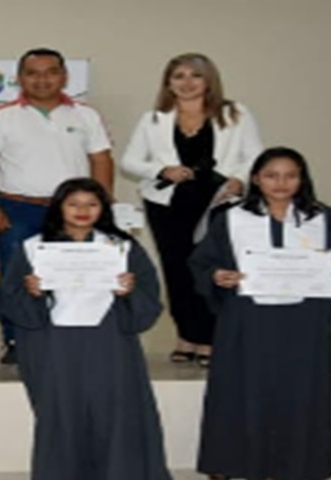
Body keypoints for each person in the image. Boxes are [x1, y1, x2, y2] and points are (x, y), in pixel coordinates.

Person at [189, 147, 331, 480]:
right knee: (232, 399)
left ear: (302, 179)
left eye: (290, 175)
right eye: (271, 175)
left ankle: (270, 475)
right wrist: (216, 275)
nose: (281, 183)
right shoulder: (231, 217)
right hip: (247, 321)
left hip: (302, 324)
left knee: (287, 398)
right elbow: (202, 263)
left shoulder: (323, 218)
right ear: (256, 178)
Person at [0, 178, 180, 480]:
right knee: (60, 423)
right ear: (59, 208)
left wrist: (129, 292)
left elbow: (148, 299)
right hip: (52, 345)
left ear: (103, 209)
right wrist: (31, 292)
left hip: (109, 342)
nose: (82, 211)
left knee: (116, 420)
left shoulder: (122, 247)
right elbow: (10, 299)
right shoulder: (33, 248)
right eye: (73, 204)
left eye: (91, 204)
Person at [121, 52, 263, 368]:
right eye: (179, 76)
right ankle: (186, 336)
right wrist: (162, 170)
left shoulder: (234, 113)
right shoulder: (153, 119)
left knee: (213, 270)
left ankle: (210, 338)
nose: (187, 83)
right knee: (177, 272)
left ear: (209, 80)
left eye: (195, 75)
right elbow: (129, 162)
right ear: (168, 83)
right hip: (168, 206)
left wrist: (239, 180)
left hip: (219, 203)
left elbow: (255, 155)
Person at [0, 47, 114, 364]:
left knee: (74, 273)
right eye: (32, 73)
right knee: (16, 276)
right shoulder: (1, 116)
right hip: (17, 208)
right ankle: (15, 340)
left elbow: (101, 160)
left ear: (64, 76)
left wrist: (103, 208)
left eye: (51, 72)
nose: (42, 80)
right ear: (19, 78)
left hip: (74, 212)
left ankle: (71, 336)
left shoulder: (86, 115)